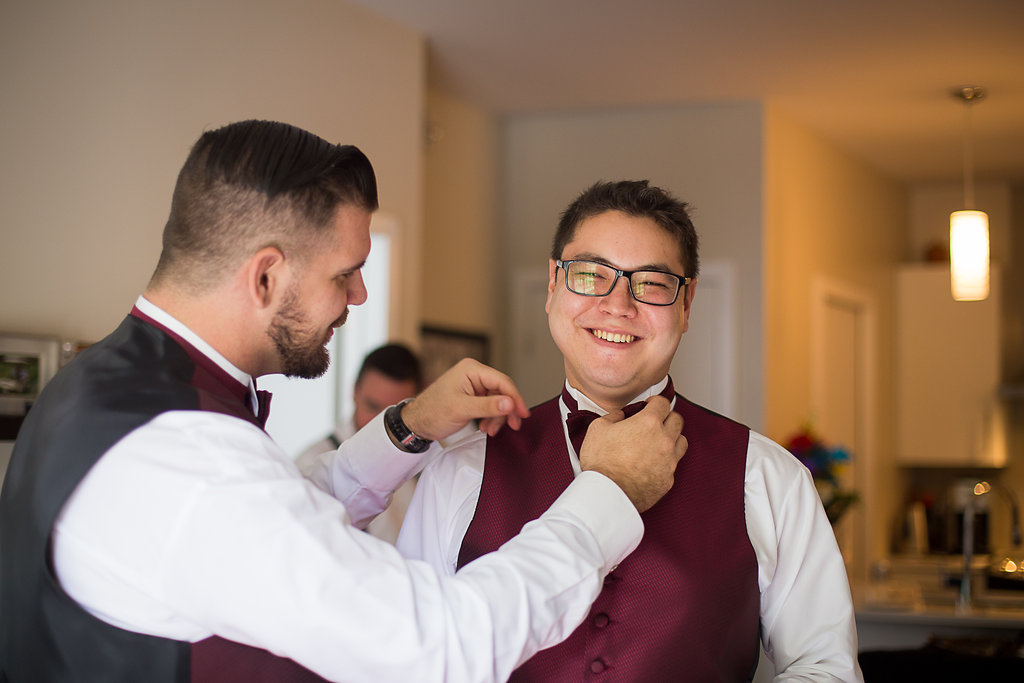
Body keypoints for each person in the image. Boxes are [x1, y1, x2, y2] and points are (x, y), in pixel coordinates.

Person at [0, 122, 688, 682]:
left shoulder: (105, 388)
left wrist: (408, 425)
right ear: (266, 275)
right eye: (345, 273)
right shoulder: (188, 461)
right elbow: (437, 644)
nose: (360, 297)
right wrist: (607, 493)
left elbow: (281, 513)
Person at [398, 180, 864, 681]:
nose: (618, 305)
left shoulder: (768, 478)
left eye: (652, 284)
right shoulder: (461, 468)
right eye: (590, 274)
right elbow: (408, 657)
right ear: (553, 286)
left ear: (686, 307)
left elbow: (825, 667)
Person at [296, 342, 423, 542]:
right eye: (373, 407)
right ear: (355, 391)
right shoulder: (310, 465)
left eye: (395, 415)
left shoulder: (426, 462)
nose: (380, 424)